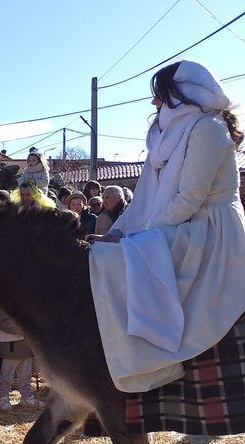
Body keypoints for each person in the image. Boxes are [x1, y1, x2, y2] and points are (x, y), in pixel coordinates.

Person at [89, 60, 245, 393]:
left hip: (212, 228)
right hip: (181, 222)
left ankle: (154, 362)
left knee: (130, 260)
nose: (154, 103)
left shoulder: (208, 127)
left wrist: (146, 238)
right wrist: (117, 232)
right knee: (108, 254)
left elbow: (190, 197)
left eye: (159, 95)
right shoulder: (163, 135)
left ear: (183, 93)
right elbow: (144, 196)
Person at [0, 308, 40, 411]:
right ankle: (4, 397)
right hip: (11, 345)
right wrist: (25, 329)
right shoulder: (4, 304)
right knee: (7, 375)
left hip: (26, 345)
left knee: (26, 374)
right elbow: (2, 322)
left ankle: (26, 397)